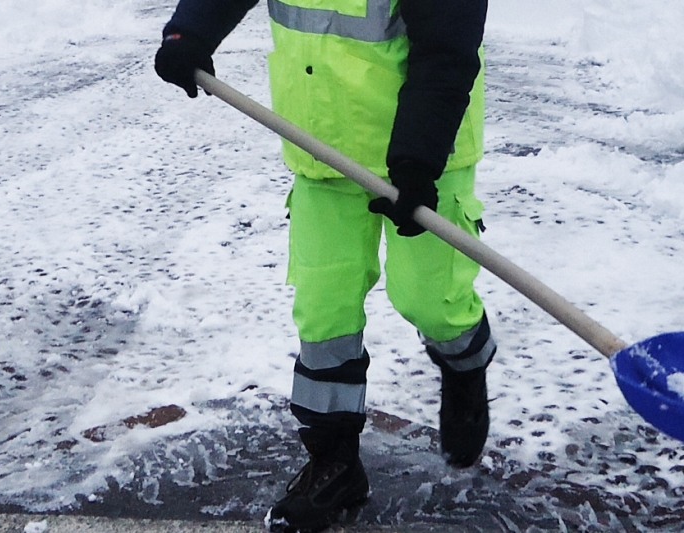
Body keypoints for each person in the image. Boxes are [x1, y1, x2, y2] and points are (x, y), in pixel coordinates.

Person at [154, 0, 496, 531]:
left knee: (429, 299)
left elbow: (446, 51)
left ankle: (465, 369)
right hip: (321, 147)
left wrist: (416, 159)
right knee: (323, 313)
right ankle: (333, 464)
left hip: (423, 157)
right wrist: (188, 33)